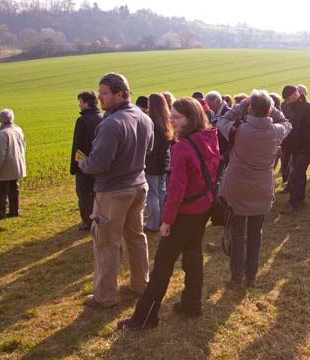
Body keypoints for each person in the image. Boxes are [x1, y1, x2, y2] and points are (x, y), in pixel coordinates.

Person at [117, 97, 219, 329]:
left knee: (163, 265)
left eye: (177, 117)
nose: (172, 121)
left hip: (186, 212)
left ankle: (144, 318)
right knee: (193, 255)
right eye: (171, 116)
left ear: (192, 118)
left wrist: (167, 221)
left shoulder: (182, 147)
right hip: (204, 206)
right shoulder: (210, 137)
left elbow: (176, 190)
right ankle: (192, 304)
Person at [76, 72, 154, 308]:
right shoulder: (143, 117)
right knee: (135, 238)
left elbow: (99, 163)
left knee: (106, 243)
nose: (99, 98)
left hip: (113, 191)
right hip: (138, 186)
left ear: (119, 94)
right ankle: (141, 284)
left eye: (104, 93)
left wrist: (83, 164)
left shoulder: (110, 123)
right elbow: (148, 149)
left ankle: (105, 296)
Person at [217, 91, 292, 288]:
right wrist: (272, 109)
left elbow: (223, 119)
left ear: (249, 109)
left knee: (237, 233)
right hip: (262, 188)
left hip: (237, 189)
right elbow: (286, 122)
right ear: (269, 110)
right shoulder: (276, 131)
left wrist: (242, 104)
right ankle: (252, 275)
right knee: (255, 233)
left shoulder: (238, 130)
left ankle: (237, 276)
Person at [278, 85, 310, 213]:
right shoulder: (291, 107)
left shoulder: (309, 108)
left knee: (296, 174)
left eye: (288, 99)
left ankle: (294, 203)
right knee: (299, 174)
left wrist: (303, 146)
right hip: (295, 148)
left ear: (295, 94)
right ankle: (299, 199)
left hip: (305, 148)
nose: (287, 102)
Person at [70, 91, 102, 231]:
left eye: (81, 102)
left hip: (83, 163)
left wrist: (74, 166)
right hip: (98, 162)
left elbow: (77, 145)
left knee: (84, 194)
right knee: (97, 193)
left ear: (87, 103)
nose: (79, 105)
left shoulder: (82, 121)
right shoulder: (102, 118)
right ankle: (98, 217)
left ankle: (87, 222)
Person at [144, 93, 173, 233]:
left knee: (152, 194)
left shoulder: (150, 121)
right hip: (164, 161)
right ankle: (162, 219)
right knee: (162, 192)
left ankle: (153, 224)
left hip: (152, 162)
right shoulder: (167, 120)